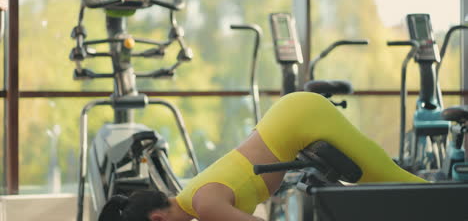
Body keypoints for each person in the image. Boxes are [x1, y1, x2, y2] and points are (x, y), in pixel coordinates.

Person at [98, 92, 427, 221]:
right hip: (288, 120)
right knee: (393, 186)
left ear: (157, 219)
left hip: (298, 119)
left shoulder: (204, 205)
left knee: (398, 185)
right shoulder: (193, 199)